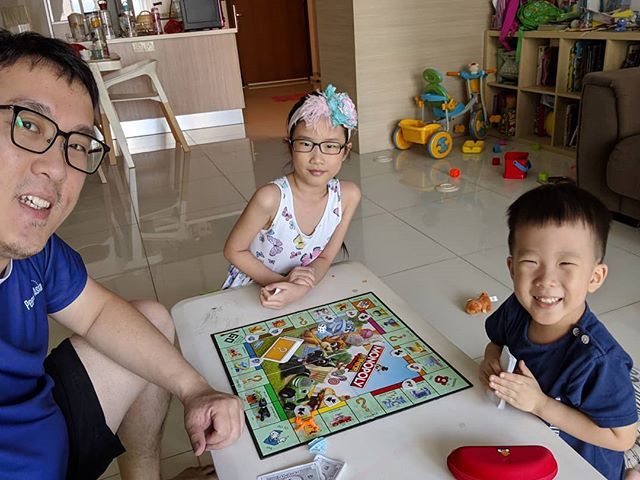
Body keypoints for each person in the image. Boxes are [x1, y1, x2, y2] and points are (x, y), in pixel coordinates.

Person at [0, 30, 243, 480]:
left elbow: (97, 314)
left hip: (46, 424)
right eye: (29, 124)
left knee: (150, 320)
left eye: (76, 144)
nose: (56, 168)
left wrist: (195, 389)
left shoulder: (38, 253)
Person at [479, 182, 639, 480]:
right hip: (528, 440)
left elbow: (623, 438)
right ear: (512, 268)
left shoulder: (599, 360)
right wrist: (490, 360)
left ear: (595, 277)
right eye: (531, 262)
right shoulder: (516, 309)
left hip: (584, 465)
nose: (546, 279)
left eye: (565, 263)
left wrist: (540, 404)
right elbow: (495, 342)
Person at [222, 85, 361, 309]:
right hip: (256, 289)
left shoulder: (348, 197)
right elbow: (234, 251)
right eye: (305, 144)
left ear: (345, 151)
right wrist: (283, 284)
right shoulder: (270, 198)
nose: (317, 158)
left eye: (330, 146)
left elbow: (325, 258)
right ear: (290, 146)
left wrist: (300, 289)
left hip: (304, 288)